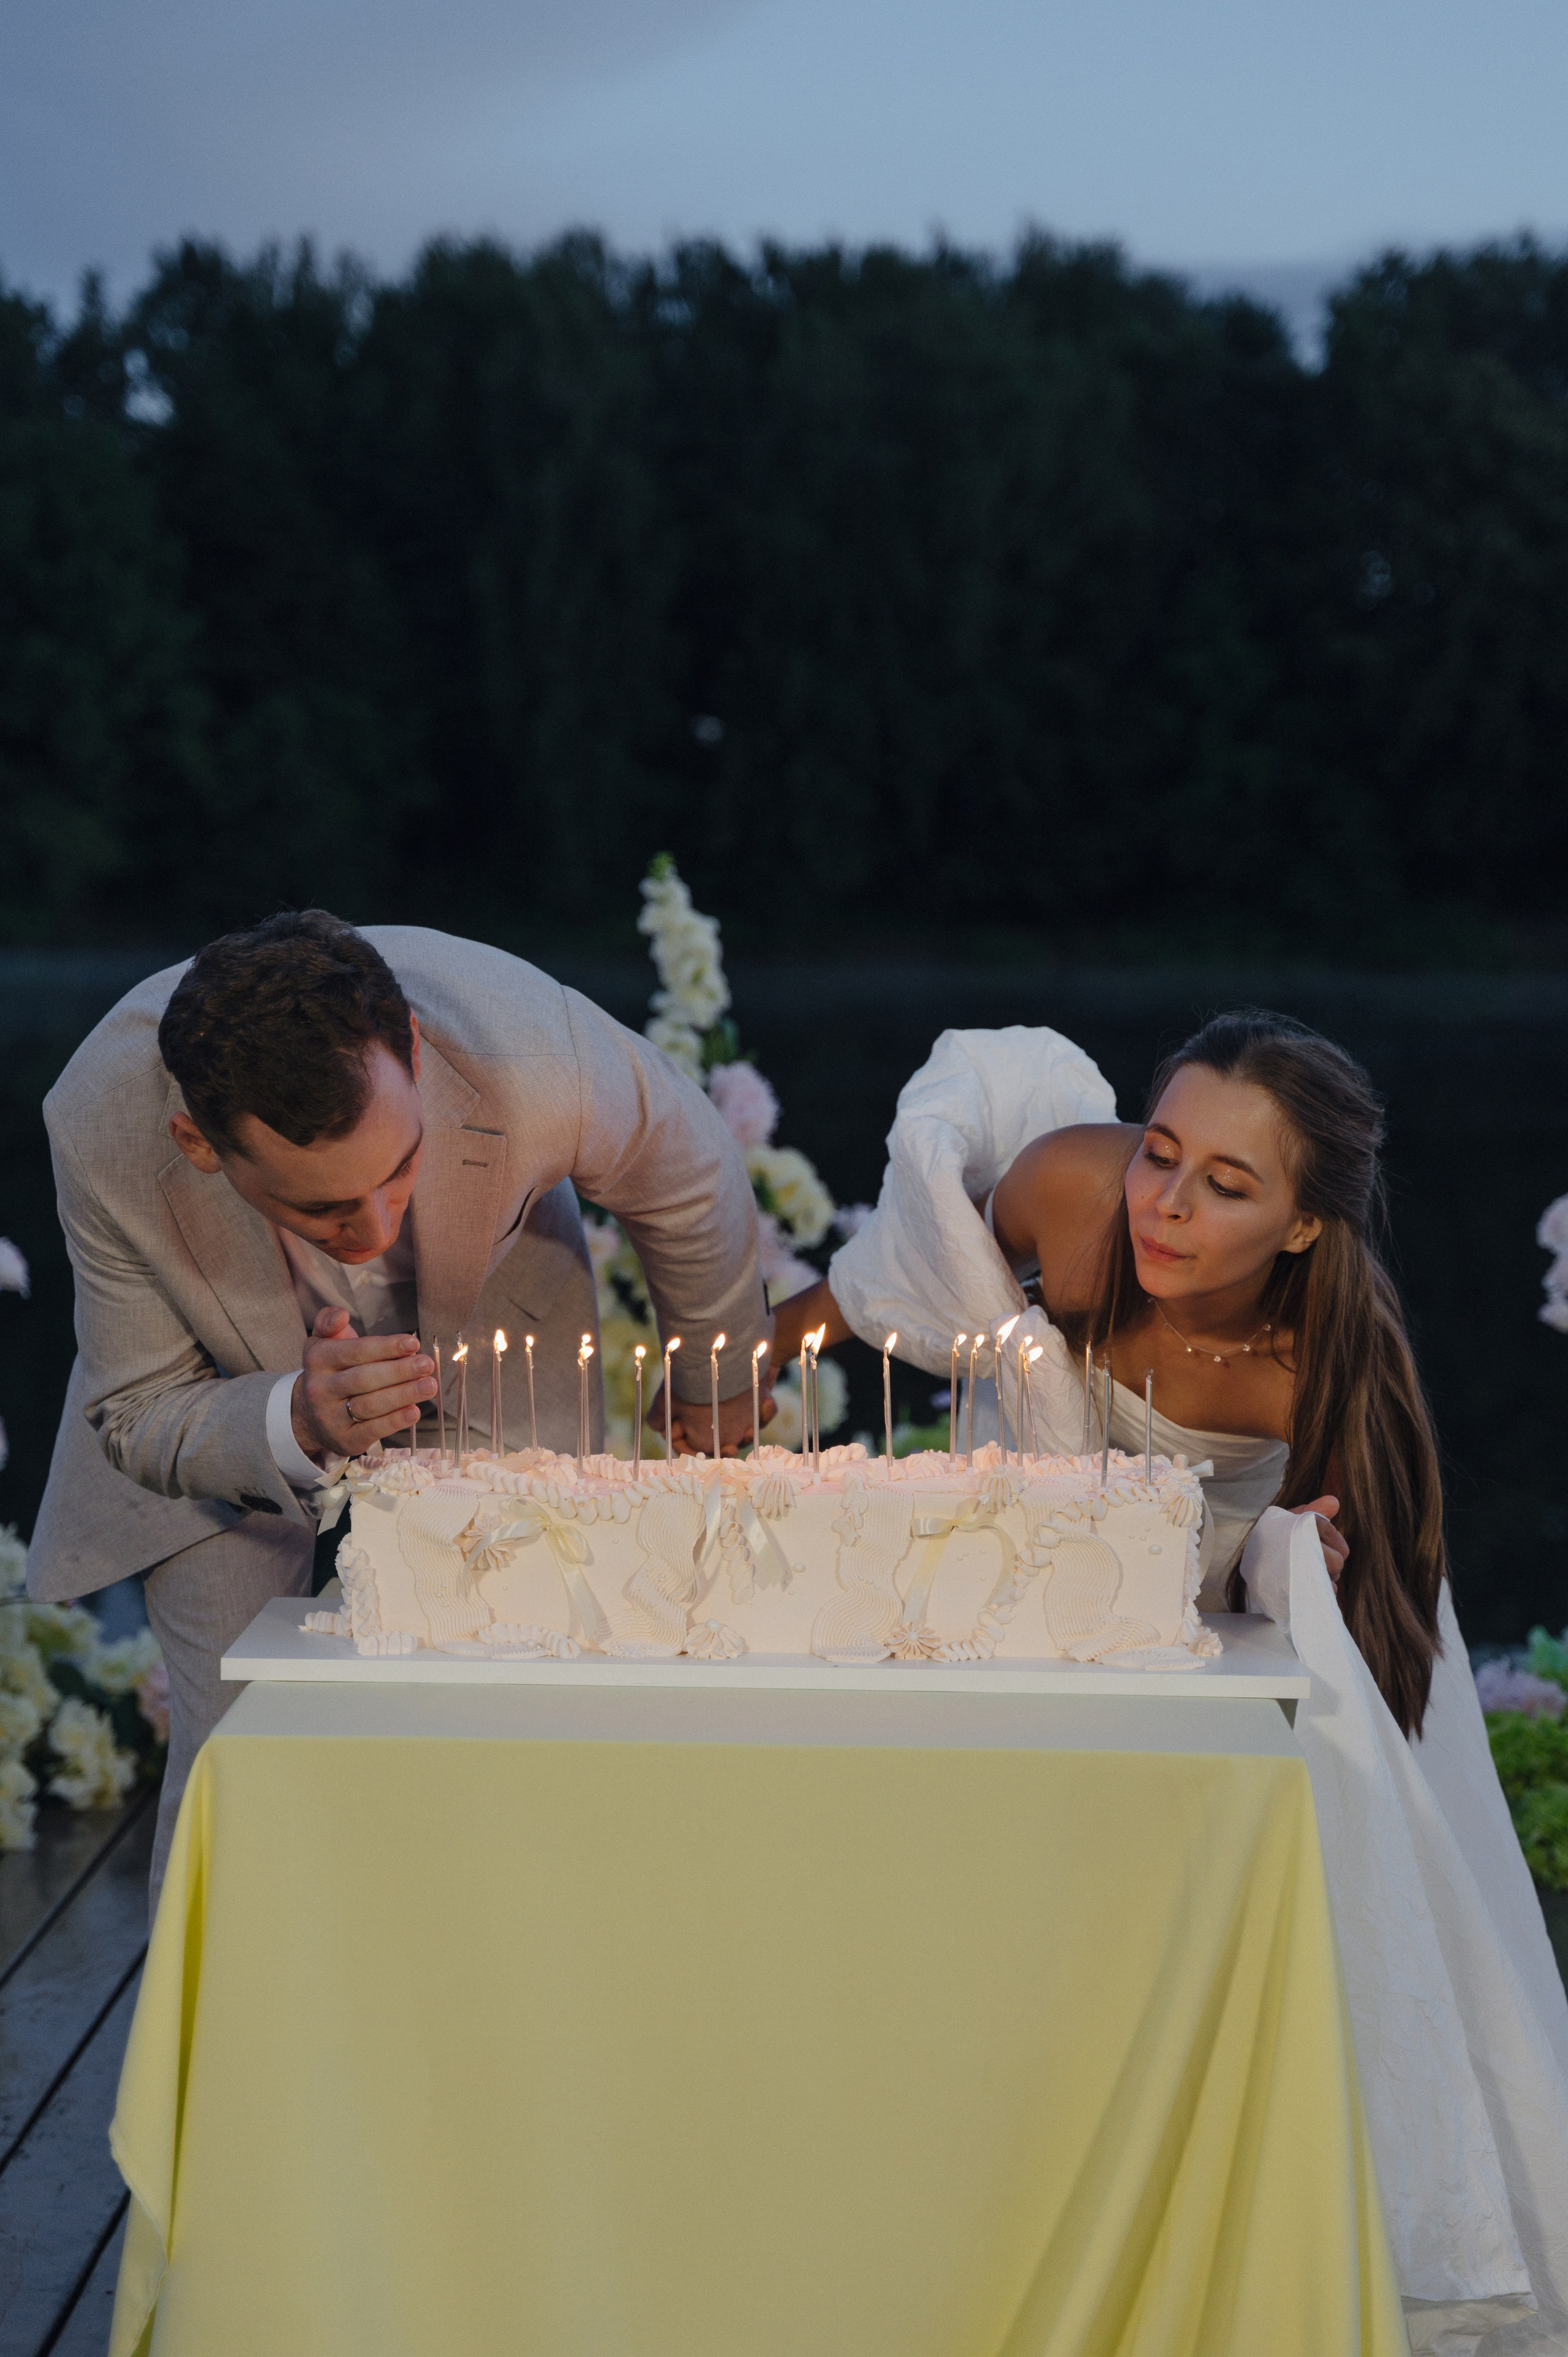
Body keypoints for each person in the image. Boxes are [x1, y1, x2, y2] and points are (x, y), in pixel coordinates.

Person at [777, 1010, 1568, 2342]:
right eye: (1163, 1151)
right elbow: (867, 1290)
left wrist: (1283, 1558)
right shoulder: (1074, 1196)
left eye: (1227, 1184)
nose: (1167, 1203)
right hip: (1021, 1597)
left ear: (1303, 1226)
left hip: (1206, 1642)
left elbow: (1364, 1625)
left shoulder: (1319, 1365)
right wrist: (724, 1386)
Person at [28, 912, 771, 1899]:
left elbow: (692, 1176)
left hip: (508, 1342)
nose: (374, 1231)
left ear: (413, 1054)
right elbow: (139, 1406)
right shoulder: (101, 1122)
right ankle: (223, 2044)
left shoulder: (532, 1052)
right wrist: (292, 1421)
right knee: (237, 1749)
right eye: (325, 1208)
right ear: (198, 1145)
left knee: (510, 1700)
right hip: (221, 1406)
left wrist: (715, 1390)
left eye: (398, 1169)